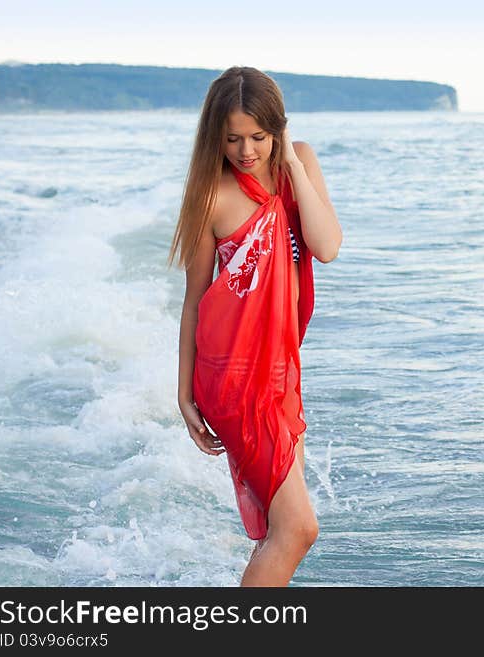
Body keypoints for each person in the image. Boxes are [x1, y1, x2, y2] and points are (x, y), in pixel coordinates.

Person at [167, 66, 342, 586]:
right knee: (299, 528)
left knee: (279, 527)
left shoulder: (299, 162)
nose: (246, 151)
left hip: (283, 369)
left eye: (260, 137)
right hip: (235, 379)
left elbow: (327, 246)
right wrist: (184, 394)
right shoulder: (210, 195)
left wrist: (288, 158)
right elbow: (195, 300)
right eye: (232, 139)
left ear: (278, 129)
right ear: (213, 137)